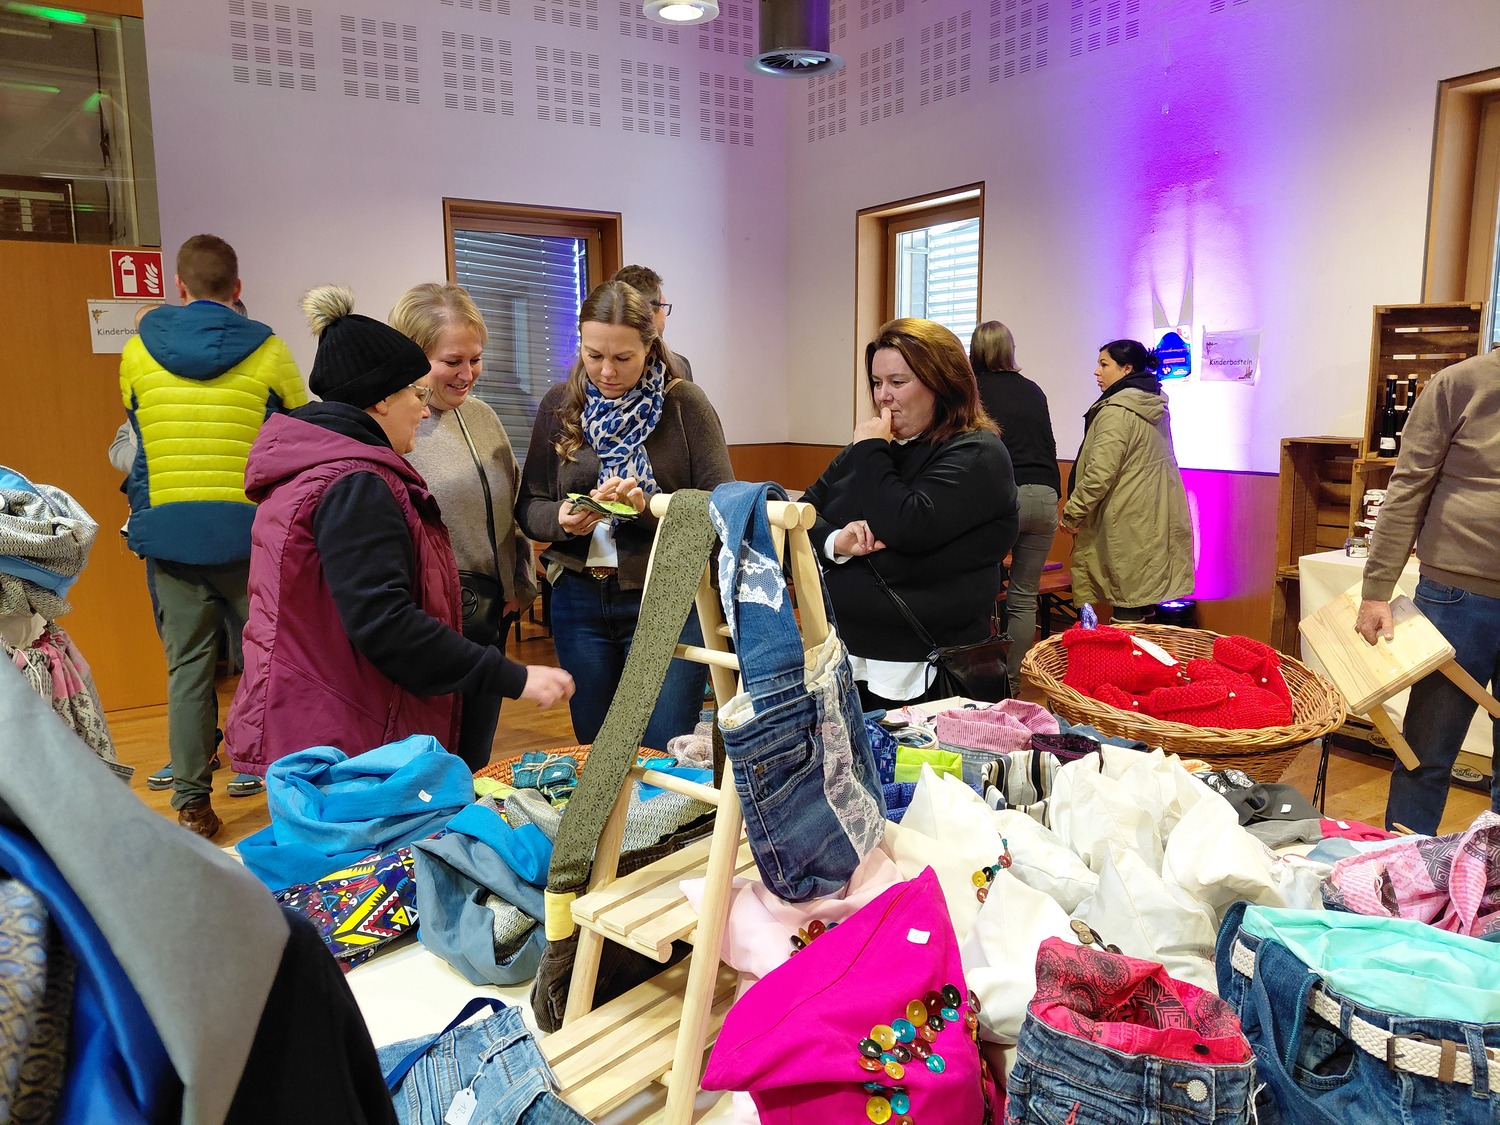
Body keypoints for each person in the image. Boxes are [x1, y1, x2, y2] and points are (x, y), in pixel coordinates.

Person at [223, 286, 573, 782]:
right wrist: (516, 677)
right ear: (383, 398)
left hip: (333, 701)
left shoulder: (328, 464)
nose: (425, 409)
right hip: (339, 713)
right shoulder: (356, 482)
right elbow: (386, 623)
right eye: (417, 393)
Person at [119, 234, 307, 838]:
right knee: (272, 669)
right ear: (238, 287)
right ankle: (286, 798)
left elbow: (138, 438)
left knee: (188, 671)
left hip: (170, 535)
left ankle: (193, 806)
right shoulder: (271, 351)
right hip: (253, 537)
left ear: (178, 286)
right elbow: (297, 439)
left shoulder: (137, 353)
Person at [517, 279, 732, 748]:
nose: (607, 371)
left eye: (623, 357)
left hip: (667, 594)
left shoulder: (684, 404)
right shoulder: (559, 404)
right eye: (594, 355)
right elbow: (530, 505)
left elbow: (721, 510)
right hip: (578, 598)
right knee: (596, 752)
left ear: (649, 346)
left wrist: (647, 509)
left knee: (662, 750)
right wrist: (562, 519)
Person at [802, 318, 1018, 710]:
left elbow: (905, 525)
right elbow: (804, 513)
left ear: (943, 383)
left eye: (898, 382)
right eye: (876, 382)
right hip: (846, 656)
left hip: (928, 670)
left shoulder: (977, 452)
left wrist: (871, 450)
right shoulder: (869, 450)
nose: (883, 396)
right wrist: (837, 542)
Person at [1355, 347, 1500, 834]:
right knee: (1427, 751)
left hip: (1456, 594)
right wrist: (1376, 590)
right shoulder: (1460, 383)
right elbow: (1407, 487)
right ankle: (1402, 866)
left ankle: (1490, 871)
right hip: (1456, 595)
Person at [390, 281, 537, 761]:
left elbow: (509, 505)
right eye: (452, 361)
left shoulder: (483, 416)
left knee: (474, 757)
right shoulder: (394, 426)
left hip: (487, 617)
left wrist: (518, 581)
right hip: (427, 626)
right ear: (413, 355)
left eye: (475, 359)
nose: (467, 373)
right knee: (427, 761)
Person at [1058, 339, 1193, 624]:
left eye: (1104, 364)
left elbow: (1099, 473)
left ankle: (1127, 653)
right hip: (1151, 516)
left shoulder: (1116, 411)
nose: (1097, 372)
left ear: (1126, 369)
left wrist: (1072, 513)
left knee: (1127, 602)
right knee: (1142, 599)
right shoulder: (1153, 404)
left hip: (1125, 519)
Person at [970, 319, 1060, 679]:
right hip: (1046, 495)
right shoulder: (1033, 390)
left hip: (1002, 496)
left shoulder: (973, 390)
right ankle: (1012, 681)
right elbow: (1049, 446)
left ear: (975, 350)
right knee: (1023, 596)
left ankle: (980, 680)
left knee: (979, 591)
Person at [611, 264, 693, 381]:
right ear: (648, 311)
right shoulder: (679, 367)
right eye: (663, 306)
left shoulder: (679, 367)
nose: (607, 372)